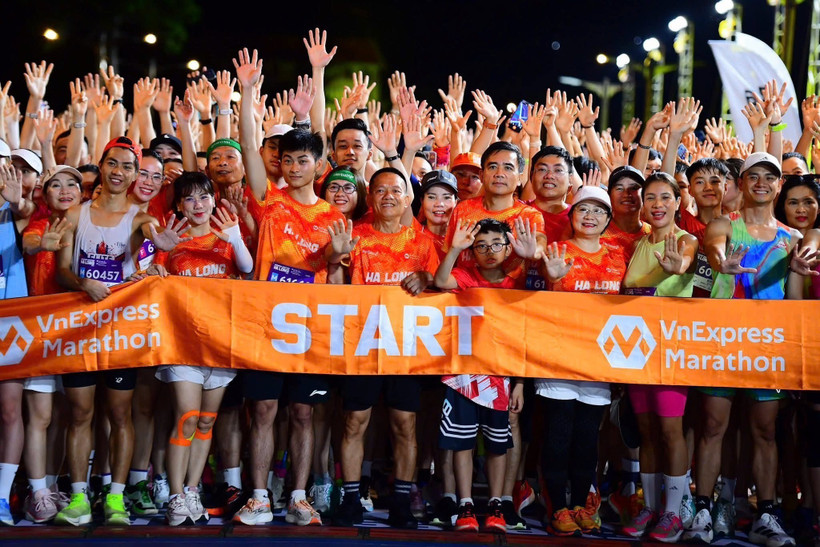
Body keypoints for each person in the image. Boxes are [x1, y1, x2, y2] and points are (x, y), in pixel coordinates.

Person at [231, 47, 345, 528]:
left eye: (303, 160)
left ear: (319, 166)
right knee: (263, 409)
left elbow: (339, 281)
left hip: (311, 325)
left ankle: (298, 497)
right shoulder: (269, 202)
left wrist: (336, 259)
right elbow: (248, 141)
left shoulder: (336, 217)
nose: (293, 166)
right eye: (287, 160)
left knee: (302, 414)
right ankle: (259, 496)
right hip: (265, 320)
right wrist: (248, 92)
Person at [52, 136, 186, 526]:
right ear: (103, 164)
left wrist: (160, 245)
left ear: (135, 174)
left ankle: (115, 497)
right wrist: (82, 283)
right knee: (79, 413)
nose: (120, 172)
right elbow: (61, 270)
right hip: (77, 329)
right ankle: (78, 496)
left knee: (120, 414)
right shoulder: (76, 214)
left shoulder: (141, 219)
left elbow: (152, 240)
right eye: (114, 163)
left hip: (121, 332)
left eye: (129, 167)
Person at [692, 152, 799, 547]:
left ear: (778, 185)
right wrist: (723, 265)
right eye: (752, 176)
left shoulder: (792, 238)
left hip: (767, 346)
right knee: (713, 427)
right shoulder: (723, 224)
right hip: (722, 341)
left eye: (769, 177)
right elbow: (716, 252)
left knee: (766, 431)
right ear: (742, 182)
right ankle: (702, 510)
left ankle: (765, 515)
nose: (761, 183)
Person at [328, 167, 439, 529]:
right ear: (370, 197)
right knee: (353, 423)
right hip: (361, 346)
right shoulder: (354, 237)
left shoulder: (422, 242)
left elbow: (443, 287)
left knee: (405, 426)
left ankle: (403, 502)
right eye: (380, 190)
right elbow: (333, 291)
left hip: (404, 350)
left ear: (409, 199)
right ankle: (349, 500)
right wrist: (334, 259)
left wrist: (427, 277)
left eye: (396, 190)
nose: (388, 196)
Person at [149, 172, 252, 525]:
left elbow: (249, 269)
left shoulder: (226, 236)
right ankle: (176, 495)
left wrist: (236, 238)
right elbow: (146, 274)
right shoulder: (170, 240)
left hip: (221, 343)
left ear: (213, 200)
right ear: (179, 205)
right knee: (187, 418)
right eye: (189, 199)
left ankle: (193, 490)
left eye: (204, 197)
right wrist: (154, 261)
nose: (198, 205)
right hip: (182, 344)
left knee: (207, 421)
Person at [537, 185, 625, 537]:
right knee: (558, 435)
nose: (590, 217)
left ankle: (582, 503)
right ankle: (558, 505)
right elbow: (544, 292)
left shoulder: (619, 253)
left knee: (588, 438)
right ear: (571, 215)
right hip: (558, 354)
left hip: (599, 361)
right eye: (582, 210)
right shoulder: (556, 251)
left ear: (607, 219)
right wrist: (551, 277)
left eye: (598, 211)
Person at [433, 218, 526, 533]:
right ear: (472, 250)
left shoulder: (517, 282)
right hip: (463, 375)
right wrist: (455, 248)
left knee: (498, 445)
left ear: (507, 247)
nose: (489, 251)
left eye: (496, 245)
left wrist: (520, 383)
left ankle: (497, 504)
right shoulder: (464, 276)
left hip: (500, 375)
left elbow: (523, 337)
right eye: (481, 245)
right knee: (462, 443)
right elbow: (441, 279)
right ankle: (466, 505)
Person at [622, 173, 698, 543]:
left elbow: (682, 264)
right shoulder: (638, 244)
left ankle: (673, 512)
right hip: (637, 350)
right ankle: (650, 507)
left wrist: (675, 267)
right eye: (649, 197)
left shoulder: (687, 240)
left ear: (677, 203)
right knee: (647, 431)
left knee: (671, 431)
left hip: (671, 350)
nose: (657, 204)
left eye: (665, 197)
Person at [20, 165, 82, 522]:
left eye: (72, 183)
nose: (64, 189)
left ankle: (52, 483)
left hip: (76, 334)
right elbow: (29, 242)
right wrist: (39, 244)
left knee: (63, 415)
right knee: (40, 416)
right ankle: (37, 491)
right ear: (44, 195)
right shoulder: (41, 222)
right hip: (40, 334)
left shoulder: (87, 223)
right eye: (55, 185)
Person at [0, 164, 36, 525]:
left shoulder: (13, 209)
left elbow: (26, 212)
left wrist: (17, 202)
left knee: (11, 412)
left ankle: (1, 497)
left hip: (7, 325)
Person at [601, 165, 651, 263]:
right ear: (609, 195)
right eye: (619, 188)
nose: (626, 194)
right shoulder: (596, 233)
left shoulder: (652, 235)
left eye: (634, 188)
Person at [418, 170, 458, 259]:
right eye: (431, 197)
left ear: (455, 202)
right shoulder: (412, 234)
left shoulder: (461, 238)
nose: (439, 204)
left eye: (447, 197)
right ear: (422, 201)